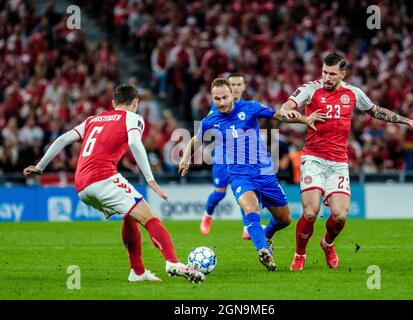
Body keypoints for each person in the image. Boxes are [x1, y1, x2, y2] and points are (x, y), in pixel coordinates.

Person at [23, 84, 205, 283]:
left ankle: (137, 271)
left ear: (113, 103)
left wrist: (40, 167)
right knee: (150, 218)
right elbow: (136, 143)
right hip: (102, 177)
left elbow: (63, 139)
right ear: (136, 102)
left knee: (129, 216)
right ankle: (172, 262)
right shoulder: (133, 118)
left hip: (82, 184)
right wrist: (150, 179)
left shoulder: (94, 119)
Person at [281, 52, 413, 271]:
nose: (326, 78)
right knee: (311, 211)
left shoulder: (353, 93)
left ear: (342, 73)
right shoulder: (310, 88)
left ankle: (328, 244)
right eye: (324, 72)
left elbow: (376, 111)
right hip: (313, 158)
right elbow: (285, 109)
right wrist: (304, 118)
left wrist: (407, 121)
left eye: (332, 74)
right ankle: (300, 254)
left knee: (340, 216)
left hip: (338, 163)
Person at [179, 78, 325, 271]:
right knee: (251, 209)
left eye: (224, 97)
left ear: (232, 94)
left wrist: (304, 119)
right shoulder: (210, 121)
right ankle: (263, 251)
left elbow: (279, 115)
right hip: (239, 175)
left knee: (285, 219)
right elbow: (196, 141)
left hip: (264, 173)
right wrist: (185, 159)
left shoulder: (249, 108)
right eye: (216, 99)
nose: (221, 102)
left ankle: (266, 235)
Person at [200, 73, 250, 239]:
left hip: (242, 158)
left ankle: (247, 227)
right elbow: (207, 127)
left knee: (246, 192)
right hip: (222, 157)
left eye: (238, 84)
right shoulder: (218, 106)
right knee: (220, 193)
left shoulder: (246, 107)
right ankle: (208, 214)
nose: (235, 87)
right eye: (232, 84)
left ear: (243, 87)